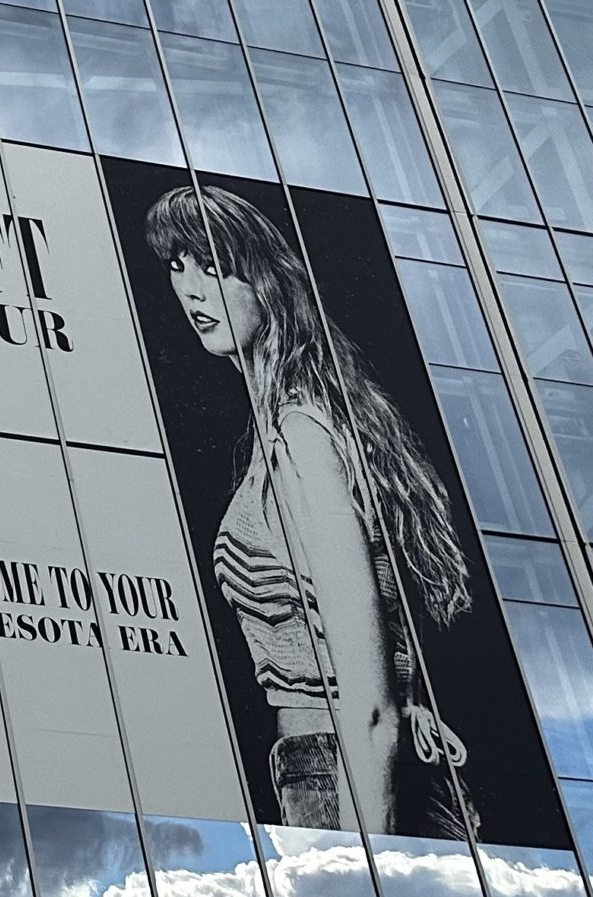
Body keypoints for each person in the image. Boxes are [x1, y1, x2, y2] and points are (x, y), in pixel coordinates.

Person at [146, 185, 472, 836]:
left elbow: (371, 702)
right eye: (176, 267)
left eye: (211, 264)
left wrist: (362, 870)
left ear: (264, 275)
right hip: (340, 763)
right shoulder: (292, 431)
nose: (191, 291)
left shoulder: (301, 435)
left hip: (341, 768)